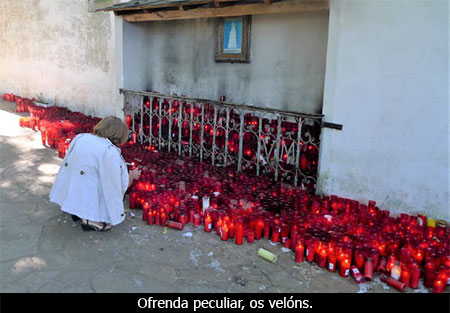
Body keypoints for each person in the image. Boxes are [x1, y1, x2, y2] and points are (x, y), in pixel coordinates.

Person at [50, 116, 141, 231]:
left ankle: (76, 209)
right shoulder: (108, 151)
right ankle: (89, 220)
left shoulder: (81, 137)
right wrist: (131, 176)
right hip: (89, 187)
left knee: (85, 177)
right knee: (99, 185)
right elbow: (114, 185)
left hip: (74, 182)